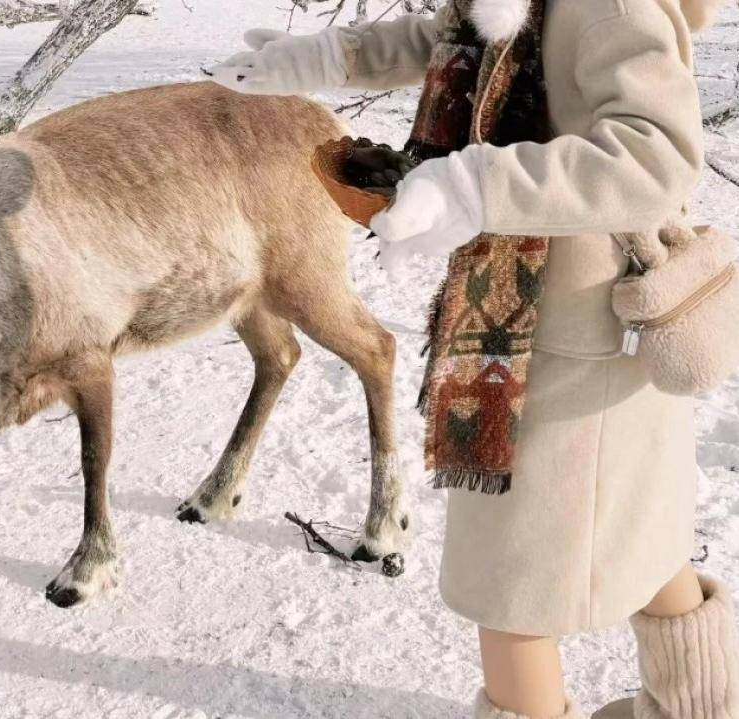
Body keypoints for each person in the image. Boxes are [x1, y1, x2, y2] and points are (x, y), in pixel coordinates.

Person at [209, 0, 739, 717]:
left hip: (568, 343)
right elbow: (450, 39)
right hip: (552, 323)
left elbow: (659, 157)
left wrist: (475, 187)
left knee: (510, 588)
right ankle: (699, 703)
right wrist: (326, 59)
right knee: (641, 534)